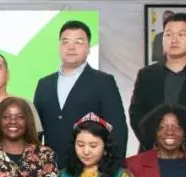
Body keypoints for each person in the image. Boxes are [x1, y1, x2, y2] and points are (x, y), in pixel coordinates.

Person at [34, 21, 127, 166]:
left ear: (88, 47)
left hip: (90, 169)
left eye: (78, 42)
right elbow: (35, 131)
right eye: (66, 42)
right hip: (51, 168)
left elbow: (117, 129)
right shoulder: (44, 84)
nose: (71, 47)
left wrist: (112, 168)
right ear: (59, 46)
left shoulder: (104, 82)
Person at [128, 13, 186, 153]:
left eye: (181, 34)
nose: (174, 40)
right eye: (168, 34)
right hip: (152, 152)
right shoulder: (146, 74)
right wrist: (153, 142)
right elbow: (136, 113)